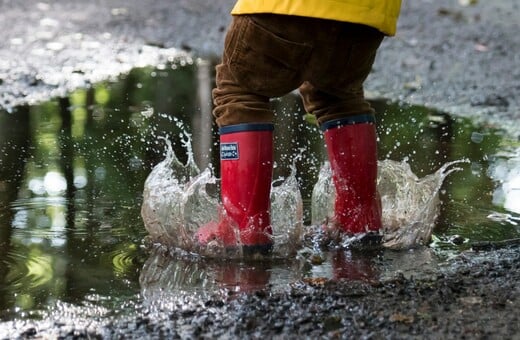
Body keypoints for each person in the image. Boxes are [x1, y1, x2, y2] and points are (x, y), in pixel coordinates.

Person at [197, 0, 402, 255]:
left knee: (239, 91)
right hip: (367, 16)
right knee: (338, 97)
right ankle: (359, 224)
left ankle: (243, 230)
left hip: (287, 6)